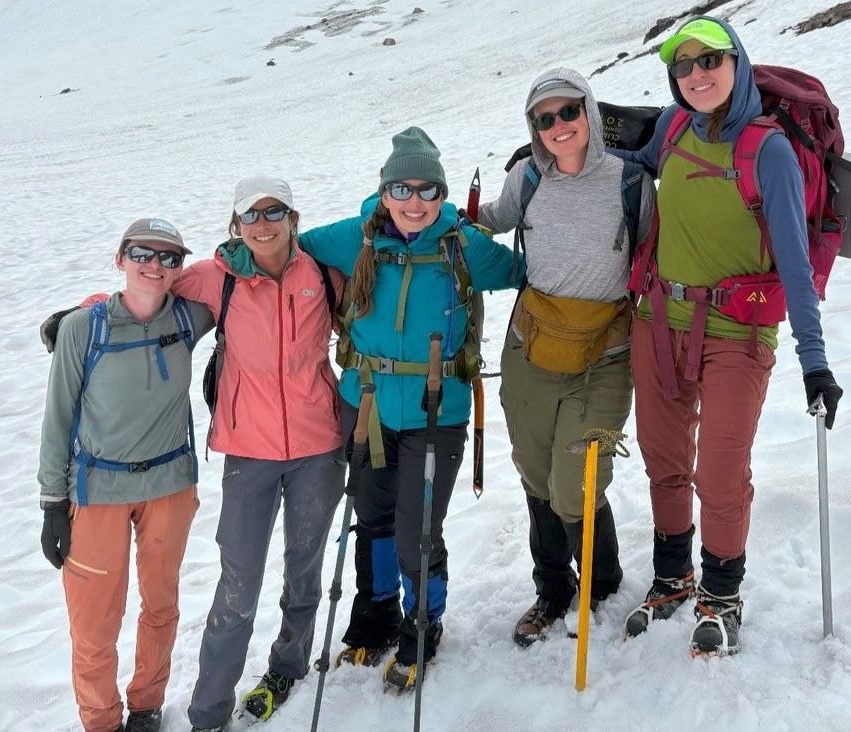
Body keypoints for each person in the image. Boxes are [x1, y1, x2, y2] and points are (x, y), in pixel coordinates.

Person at [609, 16, 844, 655]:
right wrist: (554, 158)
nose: (696, 75)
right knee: (663, 461)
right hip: (659, 320)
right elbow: (636, 161)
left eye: (709, 60)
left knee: (719, 471)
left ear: (736, 63)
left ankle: (720, 595)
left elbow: (795, 263)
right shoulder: (673, 126)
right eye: (683, 66)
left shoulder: (768, 151)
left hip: (738, 330)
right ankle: (672, 578)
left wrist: (815, 360)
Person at [296, 126, 526, 690]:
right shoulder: (355, 238)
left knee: (416, 531)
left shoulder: (463, 246)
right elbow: (288, 250)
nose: (415, 202)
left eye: (428, 190)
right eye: (402, 189)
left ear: (442, 195)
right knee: (372, 519)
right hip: (366, 405)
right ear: (385, 191)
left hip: (437, 411)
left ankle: (422, 625)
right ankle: (373, 620)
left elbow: (528, 272)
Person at [475, 67, 655, 647]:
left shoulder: (631, 183)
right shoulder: (526, 178)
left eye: (568, 111)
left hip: (605, 354)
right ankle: (552, 590)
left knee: (576, 482)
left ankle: (602, 583)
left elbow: (656, 255)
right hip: (530, 348)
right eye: (544, 118)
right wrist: (430, 215)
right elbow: (493, 221)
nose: (558, 125)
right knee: (535, 473)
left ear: (589, 112)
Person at [176, 177, 347, 731]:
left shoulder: (322, 274)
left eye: (275, 212)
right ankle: (208, 711)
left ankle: (288, 667)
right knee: (239, 580)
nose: (263, 224)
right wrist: (85, 313)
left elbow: (371, 316)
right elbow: (146, 292)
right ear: (236, 225)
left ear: (293, 219)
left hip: (319, 446)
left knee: (304, 569)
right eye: (251, 215)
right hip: (249, 452)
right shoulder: (215, 278)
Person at [38, 218, 214, 732]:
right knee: (94, 624)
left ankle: (146, 706)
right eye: (142, 254)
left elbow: (236, 279)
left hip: (170, 487)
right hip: (97, 492)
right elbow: (57, 418)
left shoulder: (189, 318)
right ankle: (100, 721)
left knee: (160, 607)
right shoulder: (83, 328)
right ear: (120, 259)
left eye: (168, 258)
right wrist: (52, 503)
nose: (154, 265)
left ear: (179, 269)